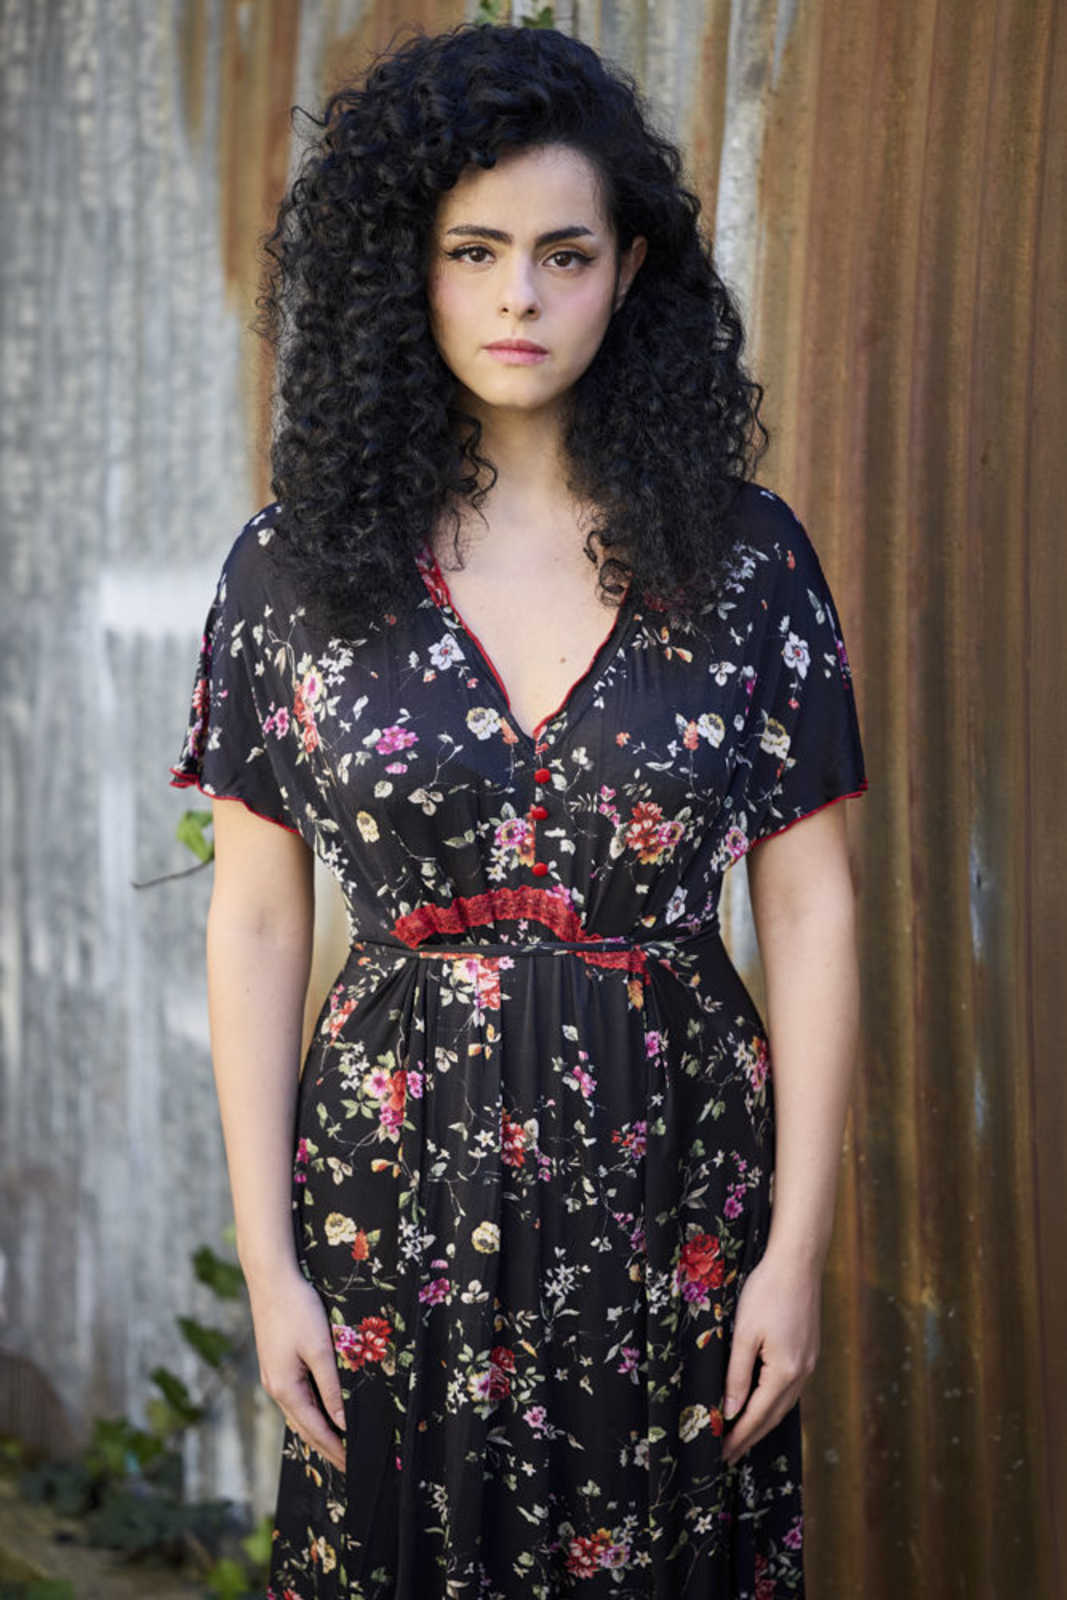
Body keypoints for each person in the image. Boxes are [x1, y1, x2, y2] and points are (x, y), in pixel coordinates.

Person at [169, 20, 868, 1599]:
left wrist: (796, 1255)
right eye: (472, 251)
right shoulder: (292, 571)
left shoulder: (747, 558)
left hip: (680, 1183)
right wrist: (270, 1265)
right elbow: (259, 916)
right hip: (387, 1184)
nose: (519, 299)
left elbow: (814, 906)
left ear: (630, 272)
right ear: (404, 272)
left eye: (566, 254)